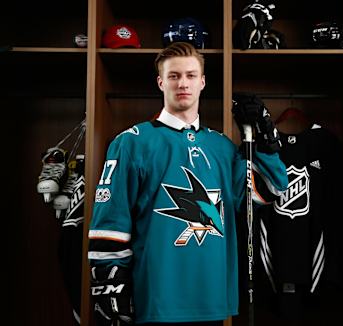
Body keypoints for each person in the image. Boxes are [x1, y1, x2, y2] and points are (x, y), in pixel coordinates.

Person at [87, 41, 288, 325]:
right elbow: (110, 223)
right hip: (157, 301)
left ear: (203, 82)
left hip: (213, 300)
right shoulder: (132, 142)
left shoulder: (222, 147)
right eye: (174, 76)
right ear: (160, 82)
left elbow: (269, 192)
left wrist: (265, 139)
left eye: (191, 75)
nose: (183, 83)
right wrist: (110, 285)